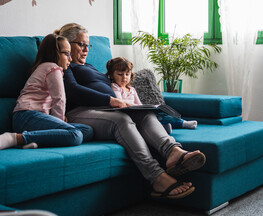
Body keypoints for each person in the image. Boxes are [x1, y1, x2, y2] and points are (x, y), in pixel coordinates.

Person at [56, 23, 206, 199]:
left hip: (107, 110)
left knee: (145, 113)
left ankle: (172, 151)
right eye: (81, 44)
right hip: (81, 112)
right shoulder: (64, 65)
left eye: (87, 45)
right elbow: (73, 91)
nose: (85, 49)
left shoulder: (89, 67)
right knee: (121, 120)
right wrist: (110, 100)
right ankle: (156, 177)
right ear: (66, 43)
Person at [0, 34, 93, 150]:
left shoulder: (45, 67)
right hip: (27, 116)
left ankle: (37, 141)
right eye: (67, 54)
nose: (71, 59)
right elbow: (59, 99)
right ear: (54, 53)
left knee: (87, 130)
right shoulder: (52, 68)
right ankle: (15, 138)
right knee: (75, 135)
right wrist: (60, 125)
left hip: (32, 119)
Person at [105, 56, 197, 134]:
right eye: (120, 74)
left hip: (138, 112)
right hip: (128, 115)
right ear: (112, 75)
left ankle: (180, 123)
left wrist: (146, 107)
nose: (124, 77)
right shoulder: (115, 87)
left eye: (127, 74)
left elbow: (139, 104)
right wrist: (136, 107)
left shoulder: (132, 89)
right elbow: (121, 103)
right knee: (151, 119)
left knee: (161, 115)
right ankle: (169, 126)